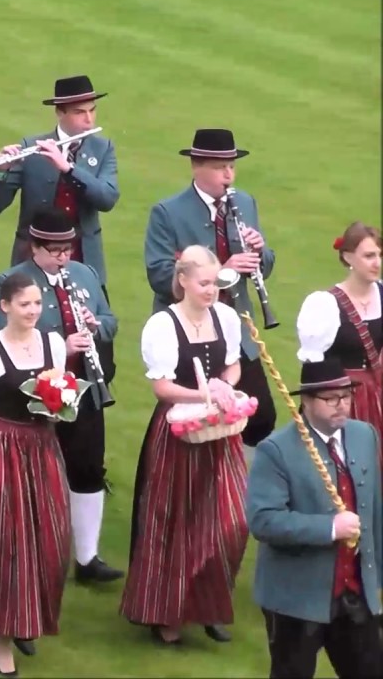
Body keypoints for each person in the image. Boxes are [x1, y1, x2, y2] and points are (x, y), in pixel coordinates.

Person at [121, 245, 249, 645]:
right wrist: (203, 395)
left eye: (215, 283)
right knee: (176, 521)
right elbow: (161, 387)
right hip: (178, 433)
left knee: (230, 520)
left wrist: (224, 386)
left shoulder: (225, 318)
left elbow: (233, 363)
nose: (212, 290)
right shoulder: (162, 325)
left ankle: (208, 604)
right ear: (183, 281)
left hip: (221, 431)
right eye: (204, 283)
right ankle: (168, 611)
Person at [0, 208, 123, 583]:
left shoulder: (85, 274)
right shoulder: (12, 282)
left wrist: (97, 327)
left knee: (88, 469)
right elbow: (3, 338)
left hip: (85, 389)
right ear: (35, 247)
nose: (64, 256)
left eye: (68, 248)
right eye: (55, 249)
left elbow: (111, 322)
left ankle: (87, 557)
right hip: (36, 394)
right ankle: (33, 552)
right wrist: (61, 345)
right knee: (37, 475)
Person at [0, 272, 71, 677]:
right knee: (10, 545)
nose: (33, 311)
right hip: (4, 444)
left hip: (43, 447)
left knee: (50, 539)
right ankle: (3, 641)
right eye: (25, 304)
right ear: (5, 306)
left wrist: (61, 402)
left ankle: (29, 618)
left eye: (37, 303)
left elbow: (56, 398)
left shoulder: (52, 344)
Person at [246, 358, 382, 679]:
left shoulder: (365, 435)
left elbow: (373, 506)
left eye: (346, 396)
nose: (342, 405)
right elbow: (263, 520)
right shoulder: (276, 450)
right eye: (331, 398)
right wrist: (329, 528)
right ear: (306, 402)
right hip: (296, 598)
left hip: (354, 595)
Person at [144, 128, 278, 455]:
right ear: (197, 167)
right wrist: (222, 271)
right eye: (221, 167)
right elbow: (160, 275)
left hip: (235, 328)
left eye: (231, 166)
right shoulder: (167, 212)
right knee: (192, 418)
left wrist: (260, 254)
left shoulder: (244, 202)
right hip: (189, 332)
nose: (229, 174)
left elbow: (266, 265)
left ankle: (243, 489)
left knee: (261, 418)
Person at [0, 75, 119, 292]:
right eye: (80, 112)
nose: (89, 119)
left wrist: (69, 169)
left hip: (84, 261)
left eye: (92, 110)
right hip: (33, 261)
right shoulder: (31, 147)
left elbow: (107, 199)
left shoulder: (102, 148)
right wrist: (0, 175)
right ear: (60, 113)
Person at [296, 222, 382, 451]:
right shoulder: (324, 304)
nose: (377, 263)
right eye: (369, 256)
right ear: (348, 257)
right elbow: (313, 366)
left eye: (379, 255)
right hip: (341, 399)